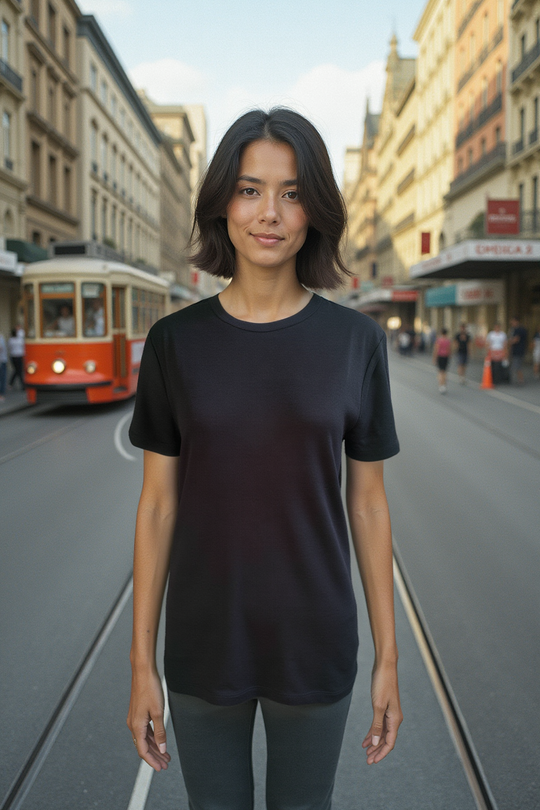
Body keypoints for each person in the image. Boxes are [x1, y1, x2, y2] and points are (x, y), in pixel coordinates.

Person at [127, 107, 403, 809]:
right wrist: (140, 661)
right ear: (223, 201)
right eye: (250, 190)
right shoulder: (174, 342)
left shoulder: (356, 342)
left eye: (292, 192)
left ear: (317, 210)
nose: (270, 214)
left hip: (315, 640)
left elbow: (367, 502)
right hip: (203, 638)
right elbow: (158, 504)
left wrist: (388, 657)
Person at [509, 316, 528, 385]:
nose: (512, 323)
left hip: (518, 350)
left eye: (513, 321)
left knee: (517, 366)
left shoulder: (519, 329)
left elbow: (516, 339)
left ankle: (520, 380)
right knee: (517, 365)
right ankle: (519, 379)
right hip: (518, 350)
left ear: (516, 321)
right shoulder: (515, 329)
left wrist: (509, 342)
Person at [433, 327, 452, 393]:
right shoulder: (448, 340)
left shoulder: (439, 340)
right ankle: (444, 385)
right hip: (445, 357)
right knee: (444, 371)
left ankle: (441, 385)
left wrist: (434, 358)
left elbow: (436, 350)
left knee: (440, 371)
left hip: (440, 356)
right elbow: (449, 349)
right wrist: (449, 356)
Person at [0, 332, 7, 401]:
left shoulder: (1, 337)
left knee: (2, 378)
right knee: (2, 378)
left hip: (2, 360)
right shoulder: (1, 337)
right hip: (2, 360)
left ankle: (1, 394)